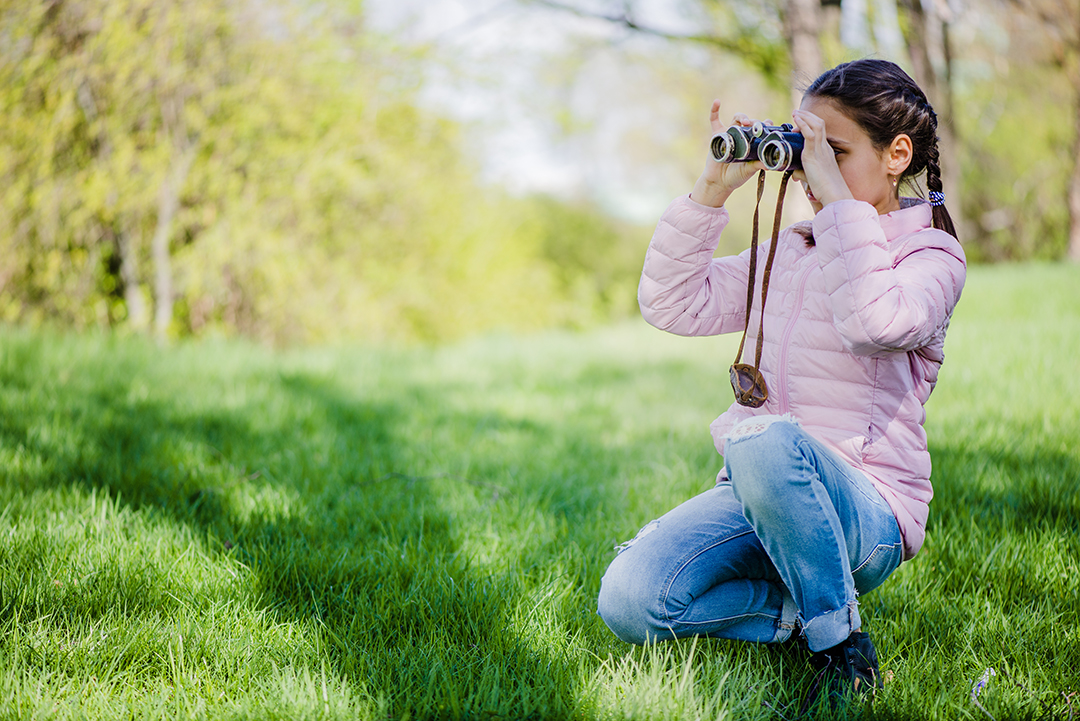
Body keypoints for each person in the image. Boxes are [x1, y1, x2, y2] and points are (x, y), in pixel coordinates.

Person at [596, 58, 966, 706]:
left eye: (835, 151)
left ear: (895, 153)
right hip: (759, 482)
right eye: (803, 153)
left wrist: (839, 209)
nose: (810, 173)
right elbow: (673, 304)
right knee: (630, 598)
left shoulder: (931, 256)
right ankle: (798, 619)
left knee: (763, 438)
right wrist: (712, 189)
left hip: (868, 506)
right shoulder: (792, 248)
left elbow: (875, 321)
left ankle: (840, 643)